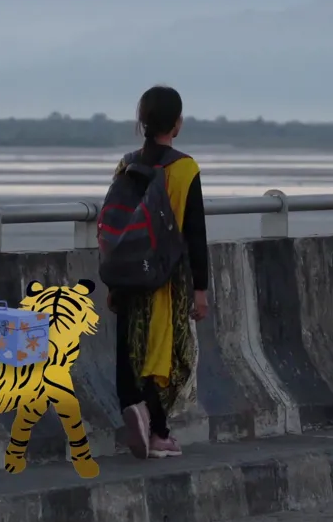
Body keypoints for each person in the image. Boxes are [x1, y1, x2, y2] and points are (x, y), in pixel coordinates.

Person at [111, 86, 209, 459]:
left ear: (143, 123)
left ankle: (135, 409)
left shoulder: (126, 164)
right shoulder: (184, 169)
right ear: (178, 123)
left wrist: (113, 278)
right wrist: (200, 290)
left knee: (129, 349)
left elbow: (116, 223)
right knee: (164, 353)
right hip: (165, 279)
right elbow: (195, 235)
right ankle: (158, 430)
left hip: (126, 274)